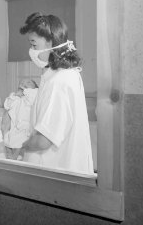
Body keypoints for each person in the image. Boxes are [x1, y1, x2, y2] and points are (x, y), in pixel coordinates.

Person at [19, 12, 94, 175]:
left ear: (51, 42)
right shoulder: (66, 74)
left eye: (34, 44)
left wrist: (20, 147)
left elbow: (43, 141)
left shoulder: (59, 82)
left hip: (55, 173)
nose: (31, 51)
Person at [1, 79, 38, 160]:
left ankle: (15, 156)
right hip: (15, 125)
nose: (24, 83)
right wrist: (15, 96)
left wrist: (25, 91)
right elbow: (7, 105)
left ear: (35, 87)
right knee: (8, 139)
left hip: (26, 125)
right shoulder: (16, 97)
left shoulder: (34, 94)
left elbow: (34, 95)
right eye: (22, 82)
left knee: (21, 141)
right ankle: (9, 154)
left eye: (28, 83)